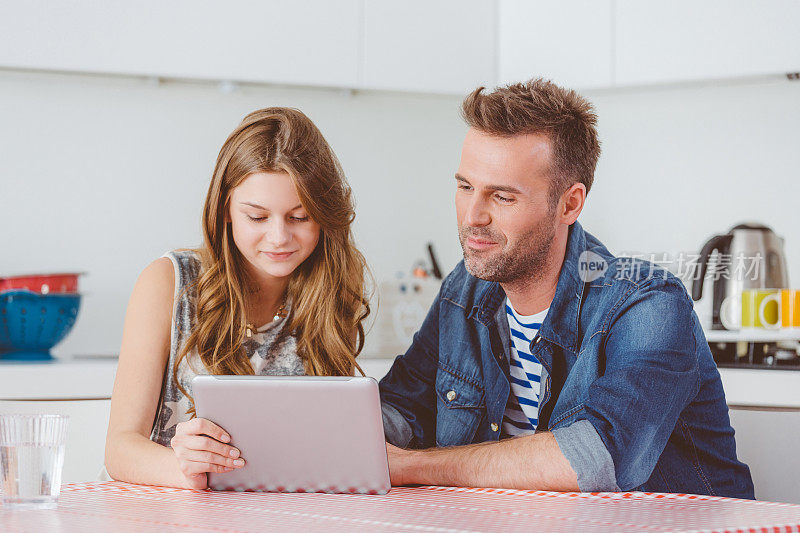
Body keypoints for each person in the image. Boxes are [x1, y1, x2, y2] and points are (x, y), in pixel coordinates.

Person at [379, 79, 755, 498]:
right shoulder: (465, 290)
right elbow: (400, 406)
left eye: (502, 197)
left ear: (570, 204)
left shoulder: (649, 303)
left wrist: (413, 466)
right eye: (465, 186)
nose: (473, 216)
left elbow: (596, 460)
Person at [104, 107, 371, 490]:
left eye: (299, 217)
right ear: (225, 210)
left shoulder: (330, 290)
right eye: (257, 217)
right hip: (163, 508)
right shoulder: (168, 283)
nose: (279, 237)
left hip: (268, 509)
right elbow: (119, 450)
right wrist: (187, 470)